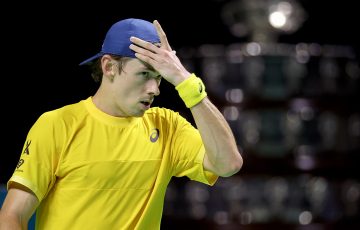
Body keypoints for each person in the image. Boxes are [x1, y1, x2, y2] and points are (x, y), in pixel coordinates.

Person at [0, 18, 243, 229]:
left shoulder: (167, 126)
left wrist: (185, 81)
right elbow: (12, 215)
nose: (155, 89)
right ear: (109, 67)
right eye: (145, 74)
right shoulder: (57, 124)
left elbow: (228, 164)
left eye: (160, 77)